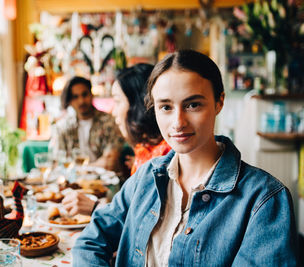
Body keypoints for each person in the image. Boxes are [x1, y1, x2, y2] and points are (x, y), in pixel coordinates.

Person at [72, 50, 299, 266]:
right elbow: (90, 241)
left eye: (193, 105)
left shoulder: (264, 199)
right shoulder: (147, 176)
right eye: (166, 107)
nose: (178, 122)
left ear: (219, 101)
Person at [62, 64, 171, 216]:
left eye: (118, 101)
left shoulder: (163, 158)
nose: (113, 112)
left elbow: (142, 223)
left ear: (138, 105)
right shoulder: (145, 152)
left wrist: (95, 207)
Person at [50, 76, 124, 172]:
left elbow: (110, 162)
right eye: (75, 97)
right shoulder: (62, 127)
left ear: (91, 94)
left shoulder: (109, 122)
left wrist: (80, 169)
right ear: (70, 101)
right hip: (72, 182)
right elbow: (57, 163)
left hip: (103, 182)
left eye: (85, 95)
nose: (81, 101)